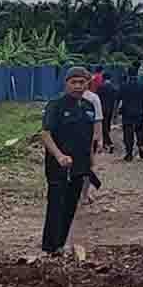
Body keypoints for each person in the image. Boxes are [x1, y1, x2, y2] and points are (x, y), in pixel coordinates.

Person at [41, 67, 100, 255]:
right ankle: (50, 247)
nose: (77, 86)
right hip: (59, 166)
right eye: (73, 82)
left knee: (71, 205)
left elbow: (90, 139)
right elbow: (45, 133)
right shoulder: (56, 106)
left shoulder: (88, 108)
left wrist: (91, 163)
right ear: (66, 83)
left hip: (80, 166)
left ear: (87, 84)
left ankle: (61, 243)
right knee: (56, 204)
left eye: (81, 82)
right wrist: (59, 156)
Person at [116, 68, 143, 161]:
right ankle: (141, 145)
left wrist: (115, 113)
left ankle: (129, 153)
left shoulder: (123, 86)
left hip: (127, 112)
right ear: (137, 74)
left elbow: (118, 100)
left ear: (128, 74)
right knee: (139, 130)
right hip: (140, 112)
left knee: (128, 133)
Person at [80, 82, 104, 205]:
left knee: (87, 167)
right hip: (71, 140)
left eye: (82, 81)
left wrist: (99, 139)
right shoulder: (66, 98)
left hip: (89, 140)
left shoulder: (93, 98)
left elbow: (98, 119)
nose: (79, 85)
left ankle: (84, 194)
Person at [98, 73, 119, 153]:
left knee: (104, 127)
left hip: (102, 109)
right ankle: (105, 143)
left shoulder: (100, 87)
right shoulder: (114, 88)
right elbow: (116, 100)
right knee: (107, 126)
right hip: (110, 110)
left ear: (103, 78)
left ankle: (109, 143)